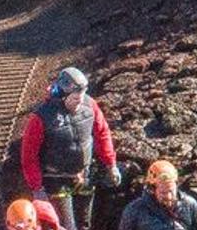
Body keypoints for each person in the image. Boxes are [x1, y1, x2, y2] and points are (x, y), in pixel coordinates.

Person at [13, 65, 120, 219]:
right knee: (67, 227)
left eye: (82, 96)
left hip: (84, 175)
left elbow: (102, 133)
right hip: (55, 181)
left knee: (84, 224)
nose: (79, 101)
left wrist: (111, 164)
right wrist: (37, 188)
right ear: (64, 95)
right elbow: (29, 155)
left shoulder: (90, 106)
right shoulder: (41, 118)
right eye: (75, 98)